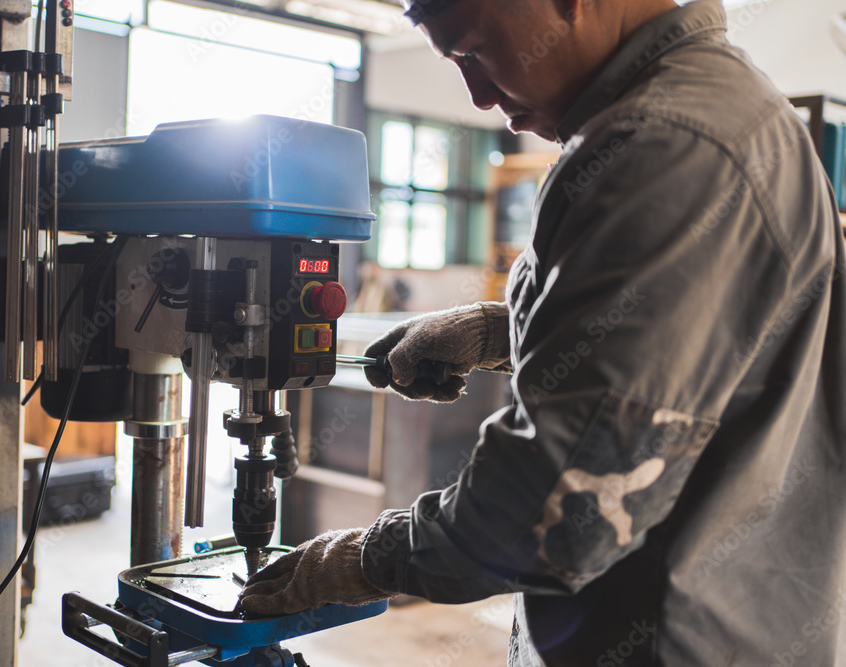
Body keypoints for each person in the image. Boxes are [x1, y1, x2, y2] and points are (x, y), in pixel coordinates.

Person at [240, 0, 846, 664]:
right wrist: (499, 331)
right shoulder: (700, 110)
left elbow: (556, 503)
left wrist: (362, 558)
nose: (477, 96)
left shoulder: (666, 144)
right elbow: (702, 347)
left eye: (471, 51)